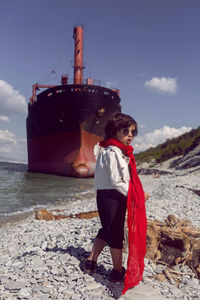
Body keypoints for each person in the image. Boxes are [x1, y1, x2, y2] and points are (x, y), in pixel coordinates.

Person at [81, 112, 149, 294]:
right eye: (125, 131)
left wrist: (135, 192)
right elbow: (115, 180)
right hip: (111, 195)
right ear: (114, 131)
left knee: (107, 228)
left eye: (133, 132)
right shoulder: (111, 151)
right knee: (115, 232)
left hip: (112, 194)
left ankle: (91, 260)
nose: (130, 135)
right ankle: (117, 271)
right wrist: (136, 195)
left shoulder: (116, 150)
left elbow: (120, 179)